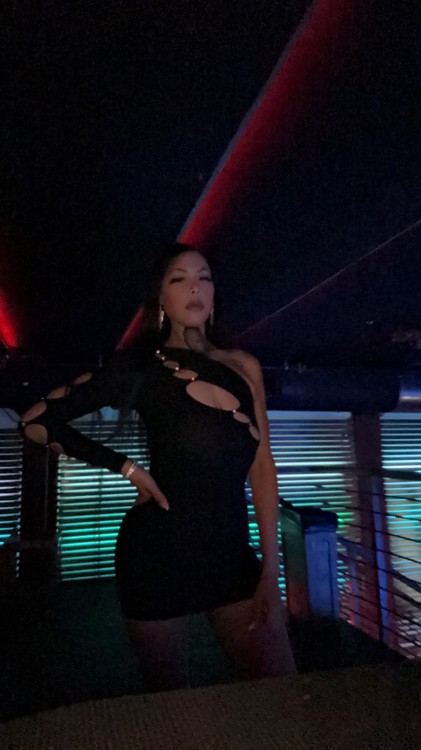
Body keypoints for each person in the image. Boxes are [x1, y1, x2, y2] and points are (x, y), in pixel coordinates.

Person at [20, 243, 296, 690]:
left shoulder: (243, 366)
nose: (195, 287)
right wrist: (126, 467)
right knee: (172, 706)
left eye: (204, 277)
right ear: (161, 298)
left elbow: (262, 467)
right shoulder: (139, 367)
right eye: (179, 279)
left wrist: (271, 568)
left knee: (281, 690)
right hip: (156, 557)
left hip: (232, 557)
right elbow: (35, 422)